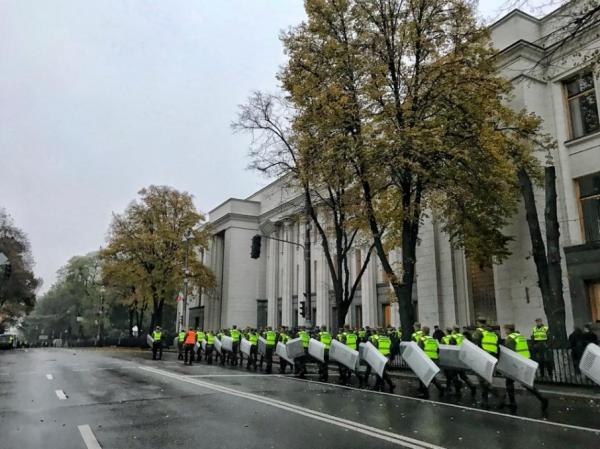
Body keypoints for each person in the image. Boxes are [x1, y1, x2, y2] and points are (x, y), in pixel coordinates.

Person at [500, 324, 548, 412]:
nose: (505, 331)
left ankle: (512, 403)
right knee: (525, 383)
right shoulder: (520, 336)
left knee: (509, 383)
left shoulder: (510, 338)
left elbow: (510, 353)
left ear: (508, 330)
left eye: (505, 330)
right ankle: (542, 398)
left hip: (516, 363)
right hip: (524, 361)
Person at [472, 318, 500, 407]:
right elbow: (498, 345)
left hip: (483, 358)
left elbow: (475, 345)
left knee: (482, 380)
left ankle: (497, 396)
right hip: (493, 358)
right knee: (486, 379)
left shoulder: (479, 332)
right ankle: (485, 400)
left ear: (479, 323)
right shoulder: (494, 333)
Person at [442, 326, 476, 396]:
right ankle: (472, 386)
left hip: (454, 359)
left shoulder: (452, 337)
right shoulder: (463, 337)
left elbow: (452, 349)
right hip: (462, 358)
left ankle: (458, 391)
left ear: (454, 330)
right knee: (463, 375)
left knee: (454, 375)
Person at [416, 326, 444, 398]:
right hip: (435, 359)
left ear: (423, 332)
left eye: (422, 331)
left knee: (425, 376)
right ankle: (440, 388)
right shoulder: (433, 339)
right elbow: (438, 349)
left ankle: (426, 393)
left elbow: (419, 350)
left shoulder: (422, 339)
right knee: (430, 376)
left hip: (426, 359)